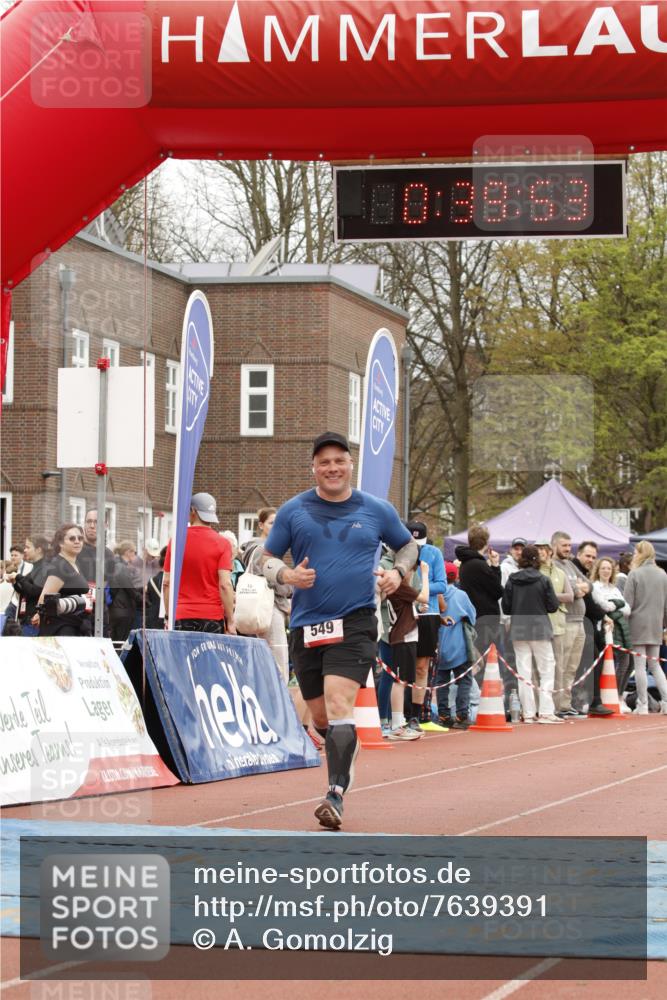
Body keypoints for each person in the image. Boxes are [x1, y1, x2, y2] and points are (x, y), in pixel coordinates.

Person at [261, 431, 417, 830]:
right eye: (324, 462)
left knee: (338, 703)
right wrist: (287, 574)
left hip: (356, 621)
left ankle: (335, 794)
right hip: (306, 625)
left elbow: (408, 547)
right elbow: (265, 558)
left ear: (351, 464)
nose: (332, 468)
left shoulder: (376, 509)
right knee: (322, 719)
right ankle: (344, 745)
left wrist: (398, 573)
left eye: (339, 461)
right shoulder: (294, 510)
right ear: (314, 467)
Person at [501, 545, 562, 724]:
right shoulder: (543, 580)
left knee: (524, 672)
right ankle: (545, 711)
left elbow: (506, 607)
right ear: (537, 559)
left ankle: (528, 713)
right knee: (546, 670)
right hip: (540, 627)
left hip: (519, 628)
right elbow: (553, 605)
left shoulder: (512, 579)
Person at [162, 492, 236, 634]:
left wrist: (168, 616)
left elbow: (167, 582)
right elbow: (225, 584)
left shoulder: (176, 541)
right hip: (212, 616)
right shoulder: (223, 544)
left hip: (181, 614)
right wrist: (231, 620)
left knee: (182, 657)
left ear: (193, 511)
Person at [405, 520, 448, 732]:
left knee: (421, 666)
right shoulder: (398, 550)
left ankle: (415, 715)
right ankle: (394, 714)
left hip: (427, 613)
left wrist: (420, 589)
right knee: (401, 666)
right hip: (403, 614)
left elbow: (442, 585)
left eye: (419, 544)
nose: (417, 548)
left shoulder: (434, 553)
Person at [241, 507, 292, 683]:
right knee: (278, 659)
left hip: (253, 608)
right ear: (261, 525)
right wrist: (291, 586)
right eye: (271, 523)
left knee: (259, 658)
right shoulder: (263, 550)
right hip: (269, 608)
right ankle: (281, 701)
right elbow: (275, 581)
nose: (276, 526)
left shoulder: (251, 549)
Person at [551, 531, 594, 719]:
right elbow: (570, 591)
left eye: (569, 545)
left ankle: (565, 703)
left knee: (572, 667)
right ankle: (555, 705)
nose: (568, 549)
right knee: (561, 664)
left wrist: (579, 587)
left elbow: (589, 585)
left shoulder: (569, 564)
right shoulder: (553, 566)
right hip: (566, 621)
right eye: (564, 545)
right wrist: (577, 588)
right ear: (554, 546)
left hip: (580, 623)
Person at [624, 541, 667, 714]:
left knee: (640, 666)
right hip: (655, 625)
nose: (634, 555)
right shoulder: (663, 574)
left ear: (641, 553)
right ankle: (666, 700)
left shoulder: (634, 574)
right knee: (655, 665)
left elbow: (627, 605)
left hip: (637, 625)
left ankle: (642, 704)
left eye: (636, 552)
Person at [535, 539, 577, 719]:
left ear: (550, 551)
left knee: (558, 668)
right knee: (538, 668)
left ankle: (556, 707)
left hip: (559, 625)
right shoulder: (535, 573)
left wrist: (551, 596)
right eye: (538, 550)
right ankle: (539, 707)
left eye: (544, 549)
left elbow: (570, 595)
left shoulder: (560, 572)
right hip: (539, 625)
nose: (541, 553)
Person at [572, 540, 612, 716]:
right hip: (575, 624)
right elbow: (588, 603)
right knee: (587, 661)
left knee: (589, 661)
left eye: (593, 557)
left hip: (586, 625)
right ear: (579, 554)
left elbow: (589, 601)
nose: (590, 559)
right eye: (587, 556)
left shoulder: (584, 575)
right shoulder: (574, 572)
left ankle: (590, 700)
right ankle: (590, 701)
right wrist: (603, 614)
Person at [33, 524, 92, 636]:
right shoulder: (60, 566)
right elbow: (45, 597)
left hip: (75, 623)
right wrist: (38, 615)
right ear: (60, 543)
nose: (77, 541)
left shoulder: (74, 564)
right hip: (61, 628)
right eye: (72, 538)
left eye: (80, 538)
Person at [435, 581, 477, 729]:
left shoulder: (432, 593)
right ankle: (462, 714)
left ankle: (443, 714)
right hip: (459, 645)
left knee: (441, 682)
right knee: (465, 680)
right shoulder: (461, 595)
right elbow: (472, 616)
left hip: (439, 645)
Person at [591, 557, 631, 703]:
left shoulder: (614, 589)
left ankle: (617, 696)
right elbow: (602, 606)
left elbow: (627, 610)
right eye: (603, 568)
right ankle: (600, 697)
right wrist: (616, 605)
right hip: (603, 630)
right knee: (602, 664)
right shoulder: (595, 587)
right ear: (598, 570)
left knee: (625, 662)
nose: (606, 571)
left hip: (619, 631)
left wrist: (613, 605)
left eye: (609, 568)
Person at [12, 536, 50, 636]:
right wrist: (14, 582)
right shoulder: (36, 567)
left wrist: (18, 577)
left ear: (38, 550)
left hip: (34, 621)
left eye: (28, 547)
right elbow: (25, 590)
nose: (24, 550)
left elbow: (35, 591)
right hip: (28, 620)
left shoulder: (44, 568)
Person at [109, 541, 142, 642]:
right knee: (120, 643)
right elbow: (130, 589)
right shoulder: (121, 567)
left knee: (116, 641)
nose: (135, 556)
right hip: (122, 610)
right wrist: (145, 601)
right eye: (135, 552)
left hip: (117, 609)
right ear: (128, 552)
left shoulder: (116, 565)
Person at [145, 546, 167, 630]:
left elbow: (149, 599)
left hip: (153, 618)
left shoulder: (151, 580)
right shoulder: (175, 581)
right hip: (167, 619)